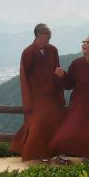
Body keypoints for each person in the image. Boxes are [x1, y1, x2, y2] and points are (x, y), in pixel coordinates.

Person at [10, 23, 65, 161]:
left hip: (51, 95)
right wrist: (27, 101)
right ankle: (33, 155)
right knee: (37, 126)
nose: (49, 39)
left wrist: (59, 80)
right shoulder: (28, 52)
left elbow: (56, 69)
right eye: (47, 36)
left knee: (54, 124)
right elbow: (24, 78)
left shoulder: (53, 50)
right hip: (36, 97)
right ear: (38, 35)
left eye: (50, 36)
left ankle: (53, 154)